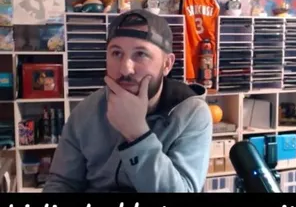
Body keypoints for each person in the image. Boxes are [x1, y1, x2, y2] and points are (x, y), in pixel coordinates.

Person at [44, 10, 212, 193]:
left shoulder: (191, 113)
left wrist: (137, 135)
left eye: (140, 54)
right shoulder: (86, 110)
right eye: (116, 53)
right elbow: (62, 182)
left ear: (167, 64)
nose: (125, 69)